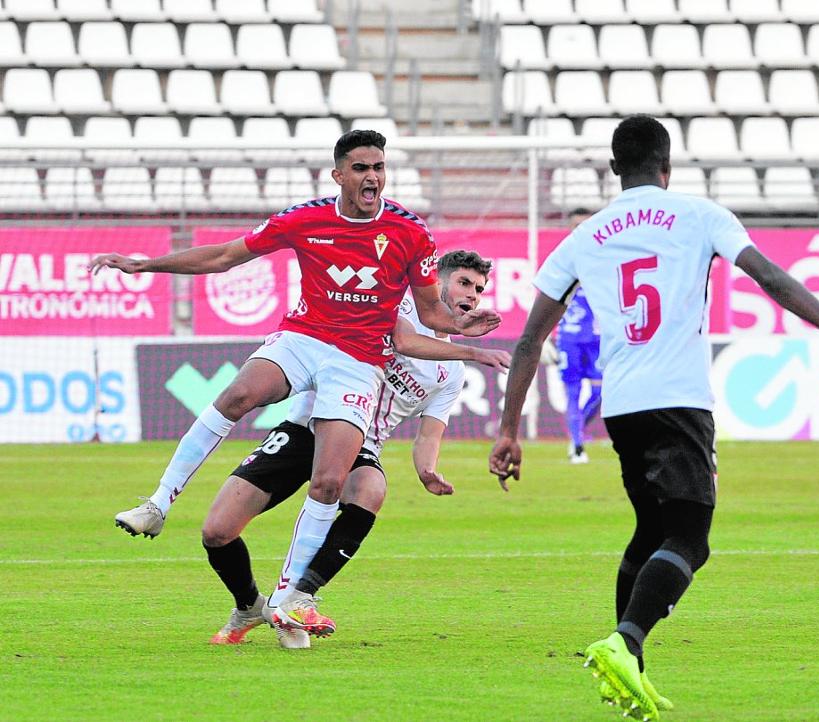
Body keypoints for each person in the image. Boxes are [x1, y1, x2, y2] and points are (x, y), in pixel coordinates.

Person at [488, 115, 819, 719]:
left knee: (651, 533)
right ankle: (625, 644)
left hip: (622, 408)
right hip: (679, 399)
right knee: (690, 539)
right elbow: (771, 279)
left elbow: (527, 342)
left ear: (614, 169)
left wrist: (508, 430)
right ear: (668, 166)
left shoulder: (584, 236)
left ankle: (629, 671)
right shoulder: (700, 214)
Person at [91, 130, 500, 631]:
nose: (371, 176)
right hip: (304, 335)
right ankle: (157, 503)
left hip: (358, 360)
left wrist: (460, 328)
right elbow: (224, 256)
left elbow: (432, 311)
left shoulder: (412, 234)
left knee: (333, 480)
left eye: (378, 167)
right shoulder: (305, 219)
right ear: (339, 175)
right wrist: (145, 264)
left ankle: (288, 600)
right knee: (238, 395)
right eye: (360, 168)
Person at [203, 251, 508, 648]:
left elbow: (429, 434)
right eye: (464, 283)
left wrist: (428, 470)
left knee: (370, 489)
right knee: (217, 531)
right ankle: (248, 605)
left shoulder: (451, 373)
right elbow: (406, 341)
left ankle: (299, 597)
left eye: (479, 289)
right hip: (307, 426)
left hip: (362, 444)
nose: (472, 294)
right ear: (438, 282)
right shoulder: (395, 307)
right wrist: (473, 349)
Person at [546, 208, 603, 464]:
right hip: (569, 338)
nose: (580, 229)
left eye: (584, 224)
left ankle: (577, 430)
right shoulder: (563, 259)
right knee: (572, 392)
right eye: (576, 225)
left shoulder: (604, 257)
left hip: (597, 338)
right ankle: (577, 445)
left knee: (600, 394)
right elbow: (548, 300)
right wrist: (546, 336)